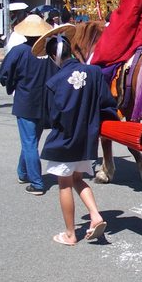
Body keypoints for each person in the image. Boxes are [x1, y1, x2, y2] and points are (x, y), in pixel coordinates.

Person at [34, 24, 118, 245]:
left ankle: (70, 234)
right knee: (78, 179)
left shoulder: (54, 82)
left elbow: (52, 117)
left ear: (53, 56)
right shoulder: (94, 72)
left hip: (64, 140)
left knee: (64, 184)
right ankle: (95, 215)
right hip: (86, 139)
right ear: (70, 50)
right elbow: (107, 103)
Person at [0, 14, 58, 196]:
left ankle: (37, 182)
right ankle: (23, 172)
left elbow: (4, 75)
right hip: (45, 102)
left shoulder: (19, 51)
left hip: (26, 102)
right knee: (31, 140)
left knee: (29, 142)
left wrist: (12, 83)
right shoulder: (50, 53)